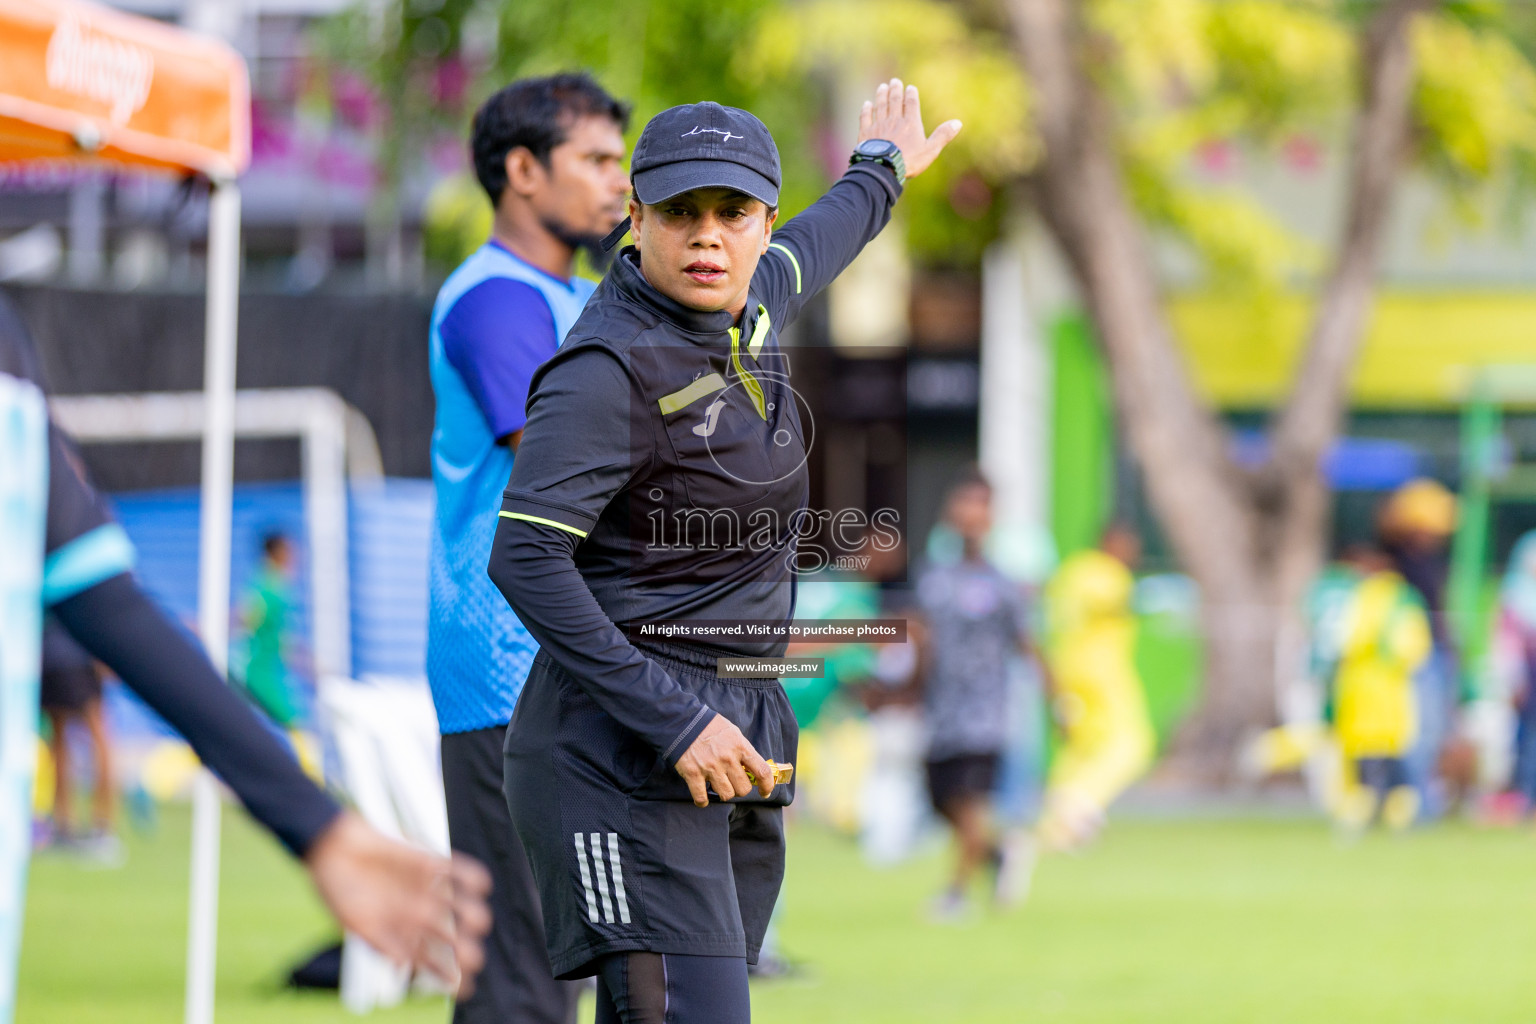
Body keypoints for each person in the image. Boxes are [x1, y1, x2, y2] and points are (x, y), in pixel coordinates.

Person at [489, 81, 958, 1022]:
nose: (708, 235)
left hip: (735, 736)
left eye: (733, 212)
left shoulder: (749, 305)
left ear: (762, 220)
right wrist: (675, 724)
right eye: (680, 212)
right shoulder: (607, 370)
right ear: (636, 215)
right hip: (620, 755)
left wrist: (881, 168)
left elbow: (827, 237)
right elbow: (525, 560)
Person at [0, 293, 491, 1023]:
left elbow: (111, 606)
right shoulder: (266, 588)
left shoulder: (9, 357)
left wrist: (321, 827)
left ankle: (91, 823)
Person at [427, 72, 631, 1024]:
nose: (617, 184)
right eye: (593, 160)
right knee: (523, 976)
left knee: (583, 964)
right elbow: (560, 465)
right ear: (521, 169)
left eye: (619, 161)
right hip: (511, 665)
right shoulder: (495, 303)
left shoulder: (578, 294)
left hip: (575, 664)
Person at [913, 471, 1039, 918]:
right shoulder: (933, 577)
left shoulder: (1004, 584)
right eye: (962, 504)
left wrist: (1058, 697)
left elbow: (1028, 643)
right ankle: (1000, 852)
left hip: (985, 711)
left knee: (970, 802)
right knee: (939, 801)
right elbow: (920, 640)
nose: (969, 515)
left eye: (978, 506)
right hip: (940, 710)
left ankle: (955, 894)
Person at [1038, 524, 1156, 852]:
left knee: (1080, 747)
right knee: (1132, 744)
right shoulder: (1103, 572)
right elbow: (1108, 602)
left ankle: (1054, 826)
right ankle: (1080, 803)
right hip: (1103, 674)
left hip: (1067, 672)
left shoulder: (1070, 571)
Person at [1327, 543, 1432, 833]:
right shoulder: (1402, 599)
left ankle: (1362, 815)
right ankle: (1399, 816)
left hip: (1362, 691)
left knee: (1366, 763)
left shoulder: (1359, 598)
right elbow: (1414, 649)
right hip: (1393, 692)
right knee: (1395, 759)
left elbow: (1343, 641)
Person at [1378, 478, 1459, 812]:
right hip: (1414, 656)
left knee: (1434, 729)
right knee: (1419, 730)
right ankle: (1416, 802)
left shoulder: (1427, 561)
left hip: (1435, 651)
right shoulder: (1396, 561)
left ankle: (1424, 799)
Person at [38, 616, 120, 863]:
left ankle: (64, 823)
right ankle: (102, 824)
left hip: (49, 653)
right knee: (99, 735)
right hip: (79, 654)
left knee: (59, 739)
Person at [235, 531, 304, 729]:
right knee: (292, 725)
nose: (293, 557)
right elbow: (246, 617)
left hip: (272, 669)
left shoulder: (279, 585)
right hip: (258, 671)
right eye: (288, 551)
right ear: (276, 553)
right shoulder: (267, 585)